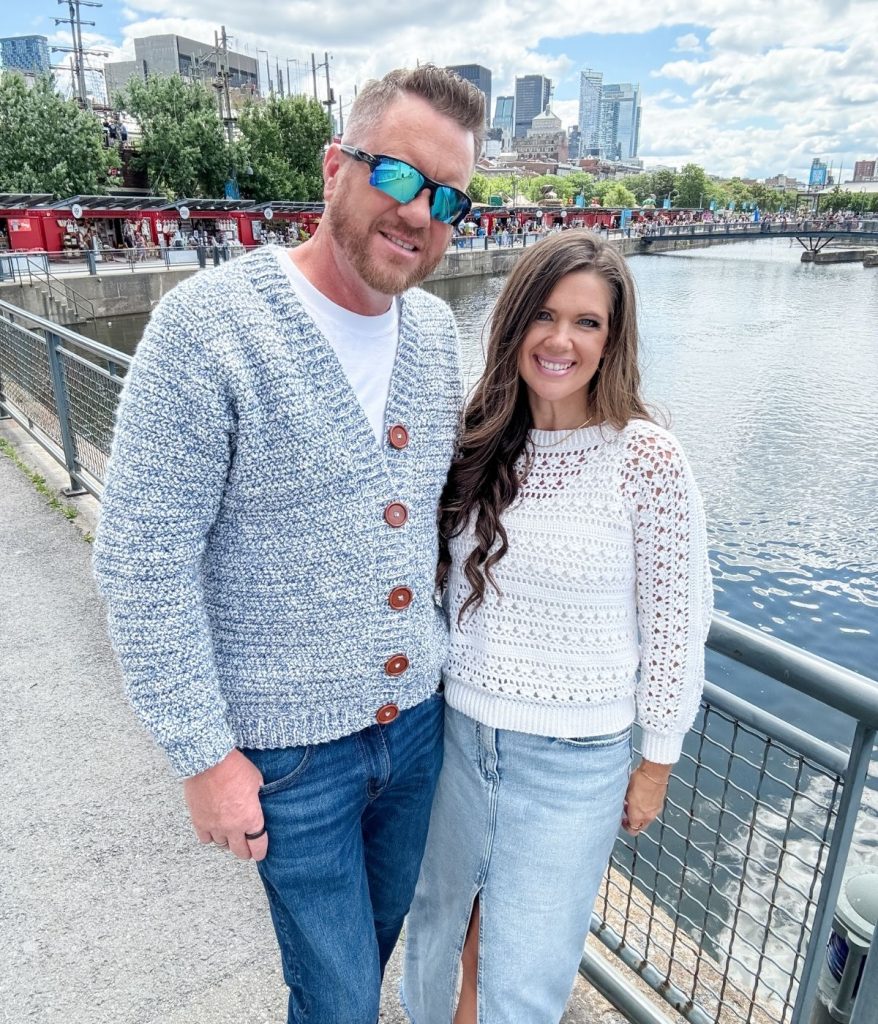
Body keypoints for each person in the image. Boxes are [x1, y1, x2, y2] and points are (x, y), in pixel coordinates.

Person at [93, 65, 485, 1024]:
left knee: (369, 956)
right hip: (286, 751)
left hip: (417, 726)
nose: (419, 213)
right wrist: (203, 756)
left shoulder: (434, 333)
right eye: (398, 176)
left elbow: (443, 510)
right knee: (344, 995)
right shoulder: (208, 328)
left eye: (448, 198)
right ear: (334, 169)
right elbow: (143, 559)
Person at [402, 231, 712, 1024]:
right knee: (439, 932)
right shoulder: (475, 437)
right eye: (544, 314)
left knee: (528, 970)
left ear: (613, 340)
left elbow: (677, 626)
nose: (561, 340)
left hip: (576, 765)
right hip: (457, 738)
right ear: (514, 323)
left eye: (588, 323)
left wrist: (657, 762)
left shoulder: (647, 460)